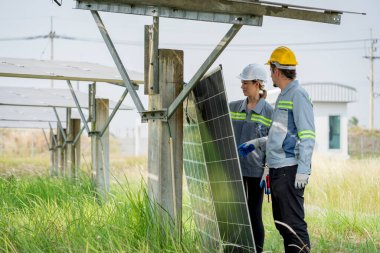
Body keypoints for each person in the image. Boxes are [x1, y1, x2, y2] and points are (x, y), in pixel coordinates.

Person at [238, 46, 315, 253]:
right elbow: (281, 134)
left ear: (277, 71)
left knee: (294, 226)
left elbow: (307, 135)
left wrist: (304, 169)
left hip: (290, 171)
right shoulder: (283, 96)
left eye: (271, 69)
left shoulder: (298, 95)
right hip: (278, 170)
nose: (270, 74)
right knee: (282, 224)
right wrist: (257, 143)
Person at [229, 63, 273, 253]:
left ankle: (257, 250)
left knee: (254, 212)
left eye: (245, 82)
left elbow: (274, 143)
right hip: (235, 169)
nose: (242, 86)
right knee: (237, 211)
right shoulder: (234, 107)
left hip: (256, 172)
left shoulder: (269, 112)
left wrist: (268, 170)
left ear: (257, 84)